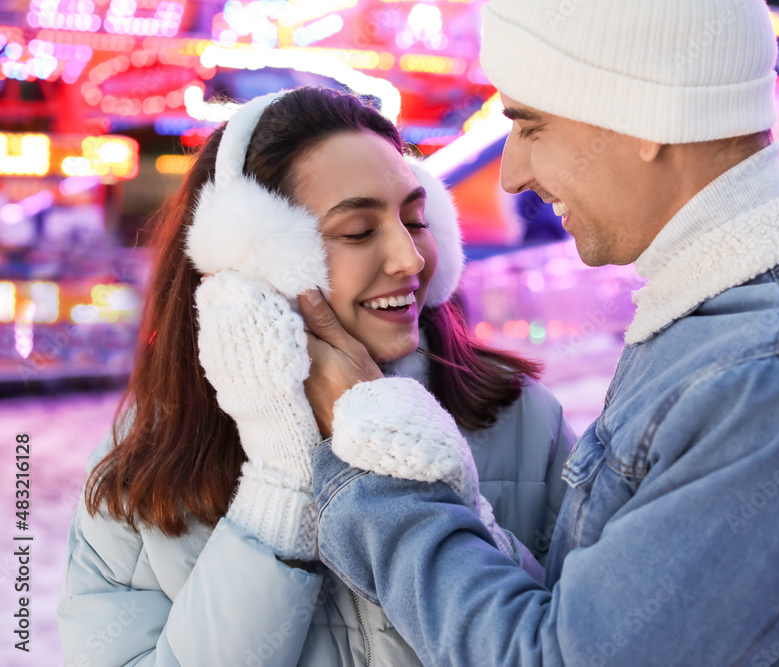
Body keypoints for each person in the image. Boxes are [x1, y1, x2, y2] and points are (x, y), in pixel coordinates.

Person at [302, 1, 779, 665]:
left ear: (642, 114)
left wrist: (373, 462)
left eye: (530, 125)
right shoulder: (752, 315)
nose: (512, 173)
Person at [56, 87, 575, 666]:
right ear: (250, 263)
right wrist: (279, 484)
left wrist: (410, 460)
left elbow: (579, 645)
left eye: (416, 220)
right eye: (357, 231)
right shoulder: (146, 456)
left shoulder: (522, 417)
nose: (410, 259)